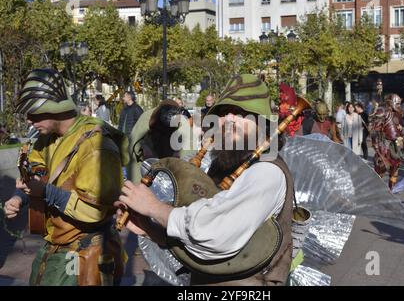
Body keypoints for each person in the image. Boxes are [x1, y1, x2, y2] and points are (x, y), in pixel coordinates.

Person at [116, 74, 294, 286]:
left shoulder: (266, 171)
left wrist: (154, 208)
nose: (228, 119)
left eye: (240, 113)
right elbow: (202, 249)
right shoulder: (224, 165)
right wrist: (149, 228)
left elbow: (215, 233)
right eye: (223, 113)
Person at [3, 68, 127, 286]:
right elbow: (36, 174)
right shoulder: (48, 139)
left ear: (54, 109)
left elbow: (94, 211)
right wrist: (19, 198)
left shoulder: (97, 146)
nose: (29, 120)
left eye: (34, 112)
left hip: (85, 254)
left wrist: (47, 193)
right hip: (56, 250)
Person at [369, 94, 404, 189]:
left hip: (397, 145)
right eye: (397, 104)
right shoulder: (382, 112)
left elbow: (401, 129)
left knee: (395, 170)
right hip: (385, 145)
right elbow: (374, 130)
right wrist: (375, 144)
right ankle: (376, 191)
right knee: (380, 170)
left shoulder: (399, 114)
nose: (399, 106)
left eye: (400, 104)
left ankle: (391, 191)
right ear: (391, 102)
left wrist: (403, 138)